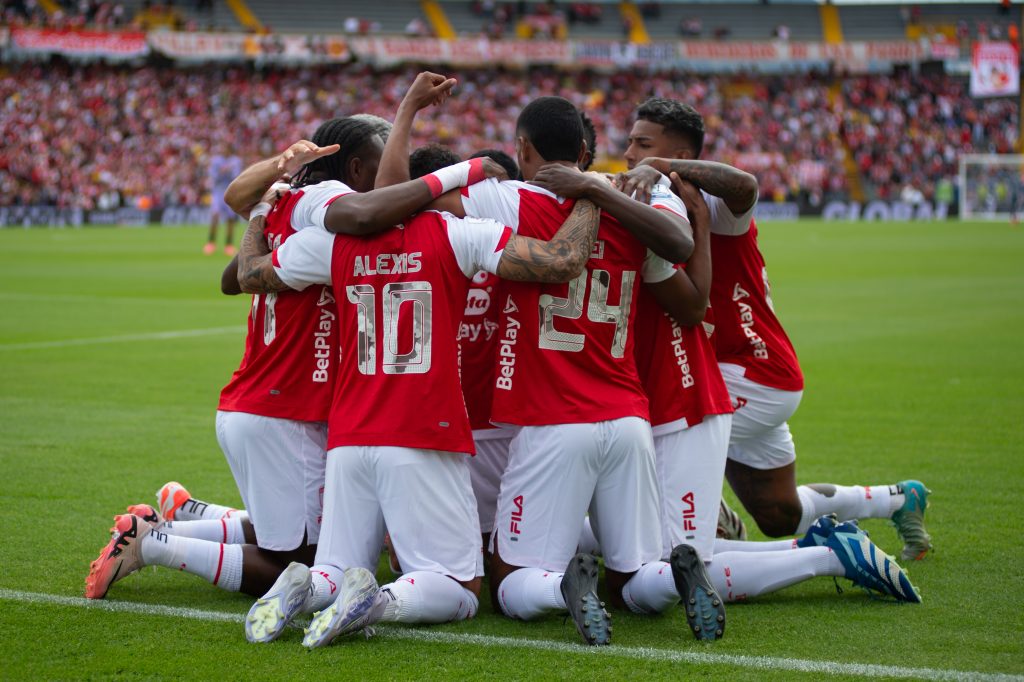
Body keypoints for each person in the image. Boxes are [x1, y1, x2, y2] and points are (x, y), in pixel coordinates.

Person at [236, 78, 603, 650]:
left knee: (334, 567)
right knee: (458, 588)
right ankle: (377, 601)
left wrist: (261, 210)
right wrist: (589, 194)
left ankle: (307, 589)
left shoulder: (331, 242)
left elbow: (248, 274)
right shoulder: (460, 233)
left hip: (351, 435)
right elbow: (563, 261)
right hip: (422, 428)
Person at [571, 96, 920, 607]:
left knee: (643, 447)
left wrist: (663, 168)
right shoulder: (650, 201)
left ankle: (698, 532)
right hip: (732, 372)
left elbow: (746, 186)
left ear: (680, 151)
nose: (630, 153)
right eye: (630, 142)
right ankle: (893, 500)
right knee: (775, 511)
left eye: (643, 143)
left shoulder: (710, 205)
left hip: (748, 373)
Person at [420, 96, 728, 645]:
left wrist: (471, 167)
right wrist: (603, 188)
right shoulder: (634, 202)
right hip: (629, 417)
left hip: (553, 418)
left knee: (509, 583)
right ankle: (675, 576)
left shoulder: (511, 199)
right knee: (633, 575)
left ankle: (561, 588)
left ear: (522, 149)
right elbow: (684, 279)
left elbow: (412, 196)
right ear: (586, 151)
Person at [205, 144, 243, 255]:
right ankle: (211, 243)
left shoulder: (236, 161)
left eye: (225, 148)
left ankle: (229, 245)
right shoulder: (216, 161)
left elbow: (237, 176)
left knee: (230, 219)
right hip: (218, 192)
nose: (223, 150)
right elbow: (213, 176)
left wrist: (228, 171)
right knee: (215, 215)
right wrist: (222, 172)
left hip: (230, 191)